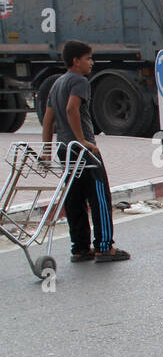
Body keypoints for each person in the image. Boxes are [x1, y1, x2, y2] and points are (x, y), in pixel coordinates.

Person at [40, 40, 130, 263]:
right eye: (88, 58)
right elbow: (72, 108)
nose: (91, 63)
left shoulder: (57, 83)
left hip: (64, 149)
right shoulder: (79, 81)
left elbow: (48, 120)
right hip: (83, 151)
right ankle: (103, 246)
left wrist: (46, 150)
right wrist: (82, 141)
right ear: (76, 61)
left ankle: (80, 248)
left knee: (74, 198)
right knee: (99, 196)